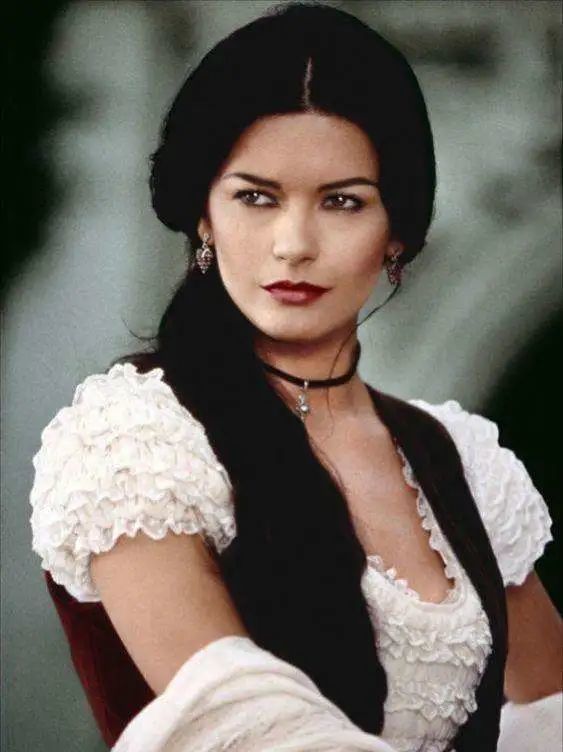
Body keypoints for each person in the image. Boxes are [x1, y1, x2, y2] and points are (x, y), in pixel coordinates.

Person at [29, 3, 562, 751]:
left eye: (342, 202)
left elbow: (552, 706)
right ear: (203, 217)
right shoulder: (137, 439)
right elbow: (243, 722)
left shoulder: (457, 462)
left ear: (397, 233)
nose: (294, 244)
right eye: (256, 197)